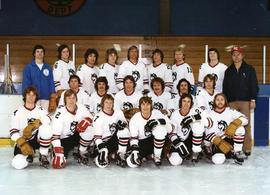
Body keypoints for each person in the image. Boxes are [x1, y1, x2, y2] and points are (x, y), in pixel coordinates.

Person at [223, 46, 258, 157]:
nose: (236, 56)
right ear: (231, 57)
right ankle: (232, 148)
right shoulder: (228, 70)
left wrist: (253, 99)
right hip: (231, 102)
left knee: (246, 125)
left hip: (245, 101)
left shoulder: (249, 69)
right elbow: (225, 87)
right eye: (234, 54)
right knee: (231, 126)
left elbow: (254, 85)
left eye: (238, 54)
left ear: (242, 55)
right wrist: (226, 101)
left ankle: (246, 148)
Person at [10, 86, 52, 169]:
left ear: (36, 97)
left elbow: (48, 119)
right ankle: (28, 155)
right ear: (25, 96)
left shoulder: (40, 110)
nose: (31, 97)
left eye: (33, 95)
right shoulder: (18, 112)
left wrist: (35, 125)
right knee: (18, 164)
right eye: (29, 94)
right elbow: (13, 132)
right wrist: (22, 143)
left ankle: (43, 154)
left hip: (36, 139)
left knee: (46, 128)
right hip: (24, 140)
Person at [51, 89, 94, 168]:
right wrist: (58, 151)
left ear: (76, 99)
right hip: (64, 139)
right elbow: (55, 136)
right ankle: (54, 151)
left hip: (76, 136)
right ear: (65, 100)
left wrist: (87, 120)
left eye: (73, 98)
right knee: (60, 162)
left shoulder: (81, 108)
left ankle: (82, 152)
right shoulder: (60, 113)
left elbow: (92, 119)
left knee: (90, 129)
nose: (71, 100)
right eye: (69, 98)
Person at [127, 96, 173, 167]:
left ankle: (157, 156)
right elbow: (133, 138)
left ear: (151, 106)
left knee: (160, 129)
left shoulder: (157, 113)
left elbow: (170, 129)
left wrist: (158, 122)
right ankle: (149, 155)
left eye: (148, 104)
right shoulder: (135, 118)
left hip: (155, 140)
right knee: (132, 163)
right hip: (142, 143)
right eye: (143, 104)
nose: (145, 107)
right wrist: (135, 151)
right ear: (140, 106)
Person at [169, 94, 212, 165]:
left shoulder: (196, 110)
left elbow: (209, 123)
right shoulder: (175, 114)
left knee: (197, 124)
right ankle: (186, 152)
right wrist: (178, 144)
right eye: (184, 101)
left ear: (191, 103)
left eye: (188, 102)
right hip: (180, 140)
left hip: (191, 139)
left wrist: (194, 118)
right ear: (180, 102)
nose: (186, 104)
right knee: (175, 161)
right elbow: (171, 133)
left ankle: (196, 151)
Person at [205, 93, 248, 165]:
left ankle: (237, 152)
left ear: (225, 101)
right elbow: (207, 133)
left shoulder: (230, 111)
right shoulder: (210, 115)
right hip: (218, 141)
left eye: (222, 99)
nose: (220, 101)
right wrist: (219, 142)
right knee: (218, 160)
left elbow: (245, 119)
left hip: (229, 138)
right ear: (214, 102)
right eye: (217, 100)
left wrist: (235, 124)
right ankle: (229, 153)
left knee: (240, 128)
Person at [93, 94, 130, 168]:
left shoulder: (118, 113)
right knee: (102, 164)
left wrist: (124, 125)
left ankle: (121, 154)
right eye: (106, 102)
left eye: (110, 103)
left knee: (124, 131)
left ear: (113, 104)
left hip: (115, 140)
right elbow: (97, 137)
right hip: (104, 143)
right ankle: (105, 154)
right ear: (102, 103)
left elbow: (126, 127)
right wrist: (102, 148)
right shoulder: (98, 117)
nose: (108, 105)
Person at [22, 45, 56, 113]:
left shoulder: (48, 68)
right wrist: (26, 97)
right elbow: (26, 83)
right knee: (33, 119)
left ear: (44, 54)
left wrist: (53, 97)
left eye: (41, 52)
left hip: (46, 98)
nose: (40, 53)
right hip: (33, 98)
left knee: (45, 119)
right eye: (37, 52)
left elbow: (51, 83)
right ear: (34, 54)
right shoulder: (28, 67)